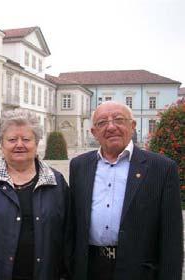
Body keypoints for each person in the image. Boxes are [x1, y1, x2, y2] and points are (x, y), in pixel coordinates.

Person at [69, 101, 183, 280]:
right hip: (89, 268)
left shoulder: (161, 168)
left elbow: (171, 236)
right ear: (94, 132)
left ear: (133, 126)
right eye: (102, 123)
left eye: (118, 119)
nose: (111, 127)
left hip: (138, 271)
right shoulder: (79, 166)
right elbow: (73, 224)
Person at [0, 109, 73, 279]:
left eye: (26, 139)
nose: (19, 144)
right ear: (1, 143)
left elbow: (68, 237)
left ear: (37, 142)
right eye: (12, 139)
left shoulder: (56, 182)